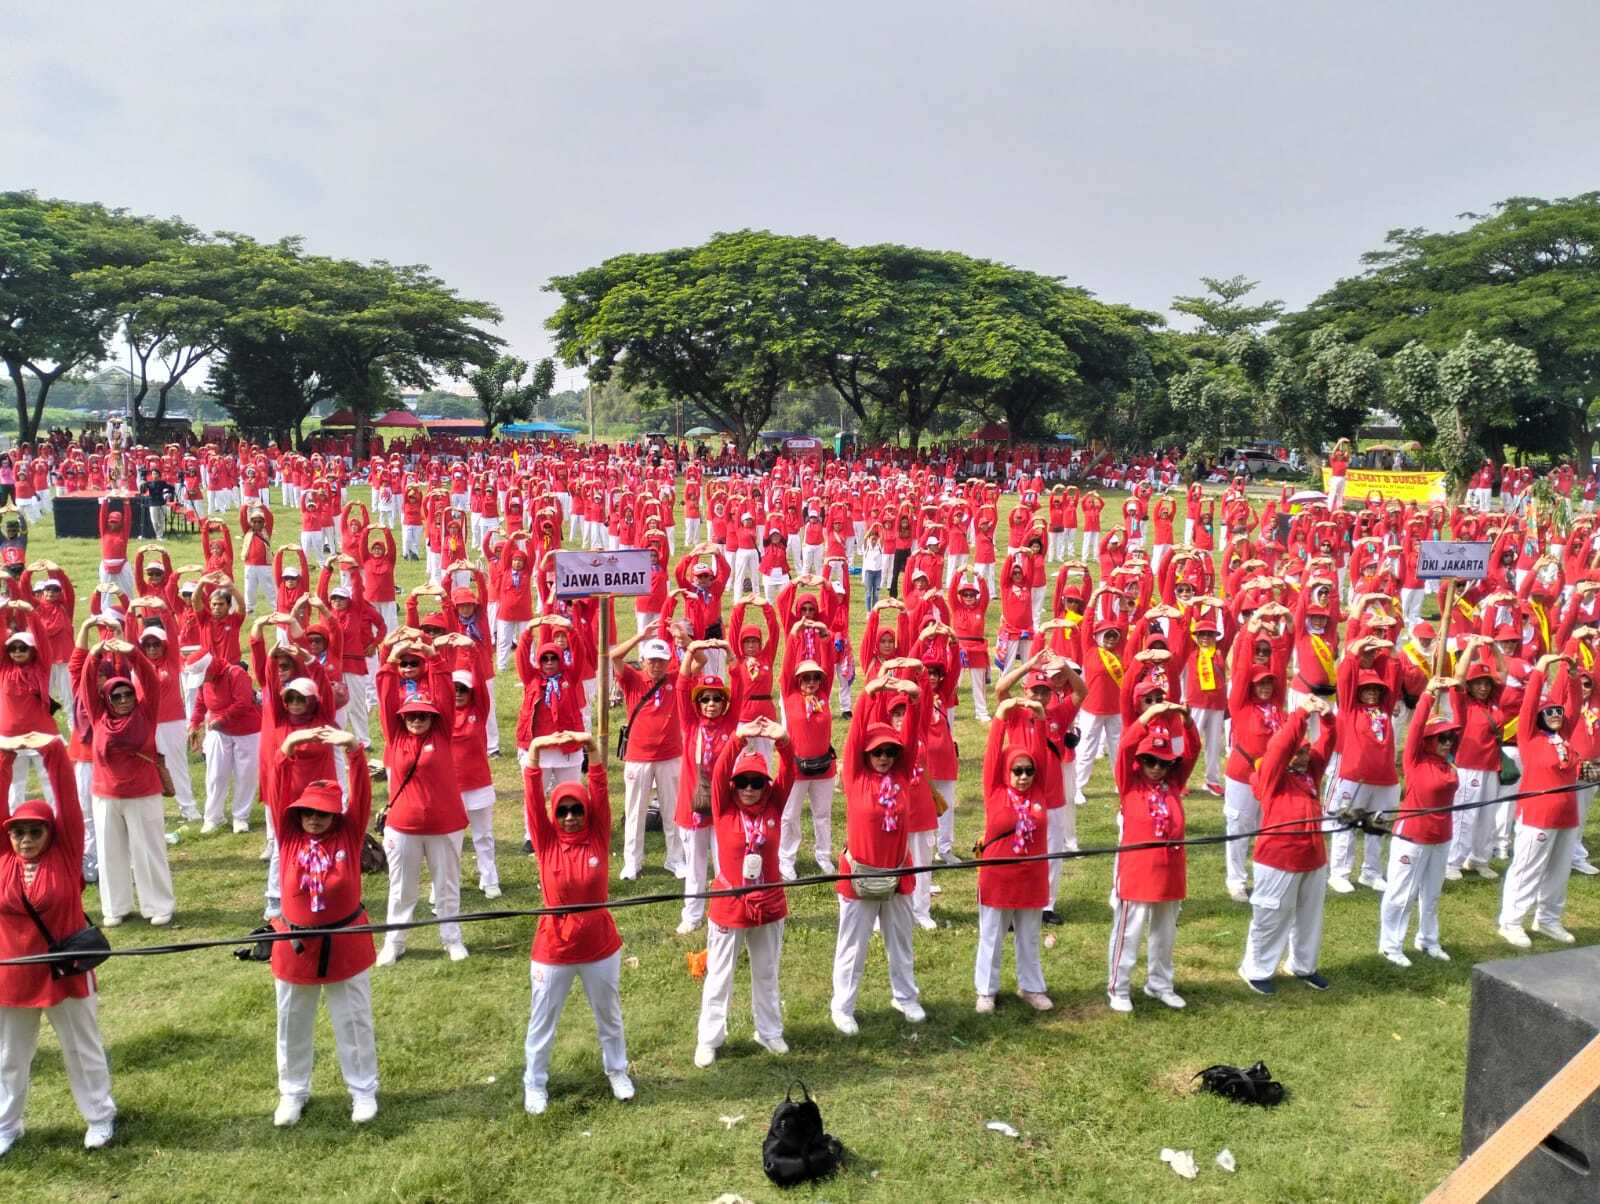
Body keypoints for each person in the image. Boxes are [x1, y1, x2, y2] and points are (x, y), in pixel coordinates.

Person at [0, 733, 117, 1156]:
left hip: (64, 972)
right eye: (18, 833)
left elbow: (68, 799)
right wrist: (4, 760)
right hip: (13, 975)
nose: (26, 840)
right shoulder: (3, 858)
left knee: (81, 1048)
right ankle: (7, 1125)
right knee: (10, 1056)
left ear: (50, 833)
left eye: (35, 832)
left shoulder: (65, 856)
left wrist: (51, 752)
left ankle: (100, 1117)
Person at [267, 728, 379, 1127]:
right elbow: (276, 788)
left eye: (322, 813)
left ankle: (363, 1089)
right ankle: (293, 1091)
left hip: (345, 941)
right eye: (308, 812)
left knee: (353, 1018)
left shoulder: (348, 834)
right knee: (292, 1019)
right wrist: (287, 748)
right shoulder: (289, 837)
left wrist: (352, 750)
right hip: (295, 944)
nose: (314, 819)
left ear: (337, 815)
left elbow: (362, 794)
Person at [521, 732, 633, 1114]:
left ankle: (617, 1070)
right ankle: (534, 1083)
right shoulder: (546, 840)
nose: (570, 818)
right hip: (553, 947)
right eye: (563, 811)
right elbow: (533, 797)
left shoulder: (598, 837)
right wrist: (535, 751)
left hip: (600, 945)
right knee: (543, 1020)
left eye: (577, 810)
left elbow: (600, 787)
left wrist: (591, 747)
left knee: (609, 1016)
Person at [693, 719, 795, 1069]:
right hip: (730, 906)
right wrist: (738, 736)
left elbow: (791, 773)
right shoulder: (724, 806)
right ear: (733, 786)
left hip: (769, 904)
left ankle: (768, 1031)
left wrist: (783, 742)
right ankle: (709, 1039)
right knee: (720, 975)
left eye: (756, 782)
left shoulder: (773, 805)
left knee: (767, 972)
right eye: (743, 783)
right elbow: (720, 769)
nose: (750, 789)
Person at [830, 675, 925, 1035]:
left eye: (889, 752)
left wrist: (914, 699)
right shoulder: (856, 776)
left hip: (898, 874)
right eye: (877, 752)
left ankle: (905, 996)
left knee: (900, 941)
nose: (884, 757)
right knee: (852, 947)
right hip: (859, 874)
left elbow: (912, 738)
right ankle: (843, 1006)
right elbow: (855, 736)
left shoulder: (901, 776)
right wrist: (869, 695)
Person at [374, 636, 469, 964]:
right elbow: (386, 693)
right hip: (404, 825)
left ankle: (451, 938)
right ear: (402, 718)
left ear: (434, 717)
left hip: (445, 824)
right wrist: (392, 658)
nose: (417, 720)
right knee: (402, 888)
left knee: (446, 886)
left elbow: (444, 694)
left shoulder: (442, 733)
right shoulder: (395, 734)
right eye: (411, 715)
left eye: (423, 716)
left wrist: (434, 658)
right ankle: (394, 942)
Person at [1239, 698, 1337, 995]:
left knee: (1310, 916)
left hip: (1313, 858)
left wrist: (1329, 718)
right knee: (1271, 915)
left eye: (1307, 751)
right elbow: (1281, 746)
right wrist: (1301, 715)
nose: (1305, 756)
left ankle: (1303, 965)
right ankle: (1256, 968)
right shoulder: (1273, 777)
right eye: (1299, 752)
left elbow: (1329, 743)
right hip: (1277, 859)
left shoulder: (1310, 775)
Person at [1108, 703, 1198, 1012]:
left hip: (1171, 871)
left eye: (1162, 762)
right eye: (1149, 761)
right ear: (1139, 762)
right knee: (1129, 931)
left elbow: (1193, 750)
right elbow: (1125, 746)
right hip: (1137, 872)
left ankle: (1160, 983)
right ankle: (1118, 988)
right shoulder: (1129, 784)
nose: (1156, 768)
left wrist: (1186, 721)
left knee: (1165, 932)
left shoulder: (1173, 784)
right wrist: (1147, 716)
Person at [81, 638, 175, 927]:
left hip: (143, 793)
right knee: (110, 853)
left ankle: (158, 905)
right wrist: (95, 655)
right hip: (105, 794)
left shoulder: (146, 713)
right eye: (117, 696)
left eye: (128, 695)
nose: (123, 700)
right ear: (107, 699)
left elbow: (149, 679)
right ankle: (115, 907)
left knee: (148, 850)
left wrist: (132, 653)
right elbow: (86, 684)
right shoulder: (98, 716)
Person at [974, 699, 1054, 1013]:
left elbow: (1042, 756)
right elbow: (993, 755)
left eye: (1028, 771)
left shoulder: (1038, 791)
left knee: (1029, 937)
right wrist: (1000, 717)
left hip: (1032, 878)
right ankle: (986, 991)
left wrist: (1041, 719)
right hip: (998, 878)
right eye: (1017, 771)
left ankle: (1031, 987)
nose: (1023, 777)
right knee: (991, 935)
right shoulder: (995, 790)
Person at [1498, 657, 1583, 947]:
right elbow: (1528, 705)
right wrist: (1540, 671)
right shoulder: (1529, 738)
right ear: (1539, 717)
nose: (1557, 715)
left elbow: (1575, 706)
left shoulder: (1566, 737)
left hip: (1567, 815)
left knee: (1558, 872)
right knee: (1527, 868)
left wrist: (1571, 676)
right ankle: (1511, 921)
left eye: (1558, 711)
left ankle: (1548, 919)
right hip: (1537, 816)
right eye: (1549, 712)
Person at [1378, 680, 1460, 965]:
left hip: (1441, 836)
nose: (1447, 742)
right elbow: (1414, 730)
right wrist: (1427, 695)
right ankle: (1390, 945)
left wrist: (1453, 692)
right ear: (1428, 740)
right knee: (1402, 894)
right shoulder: (1415, 760)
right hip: (1412, 836)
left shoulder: (1447, 763)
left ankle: (1428, 939)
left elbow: (1459, 720)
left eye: (1450, 737)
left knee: (1432, 894)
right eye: (1441, 738)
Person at [608, 631, 684, 883]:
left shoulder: (675, 678)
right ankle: (632, 861)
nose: (656, 665)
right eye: (652, 660)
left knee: (673, 810)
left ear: (668, 662)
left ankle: (675, 859)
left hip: (670, 755)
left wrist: (684, 638)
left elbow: (700, 662)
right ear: (642, 661)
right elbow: (614, 656)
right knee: (634, 811)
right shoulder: (633, 679)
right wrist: (640, 636)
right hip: (638, 756)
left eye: (661, 660)